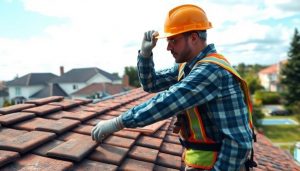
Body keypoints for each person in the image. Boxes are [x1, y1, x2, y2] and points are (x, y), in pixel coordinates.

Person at [91, 4, 256, 171]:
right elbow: (151, 84)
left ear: (193, 38)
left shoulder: (210, 70)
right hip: (203, 160)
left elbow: (167, 102)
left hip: (224, 164)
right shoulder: (186, 66)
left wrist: (118, 122)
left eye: (173, 40)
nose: (168, 47)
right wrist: (145, 55)